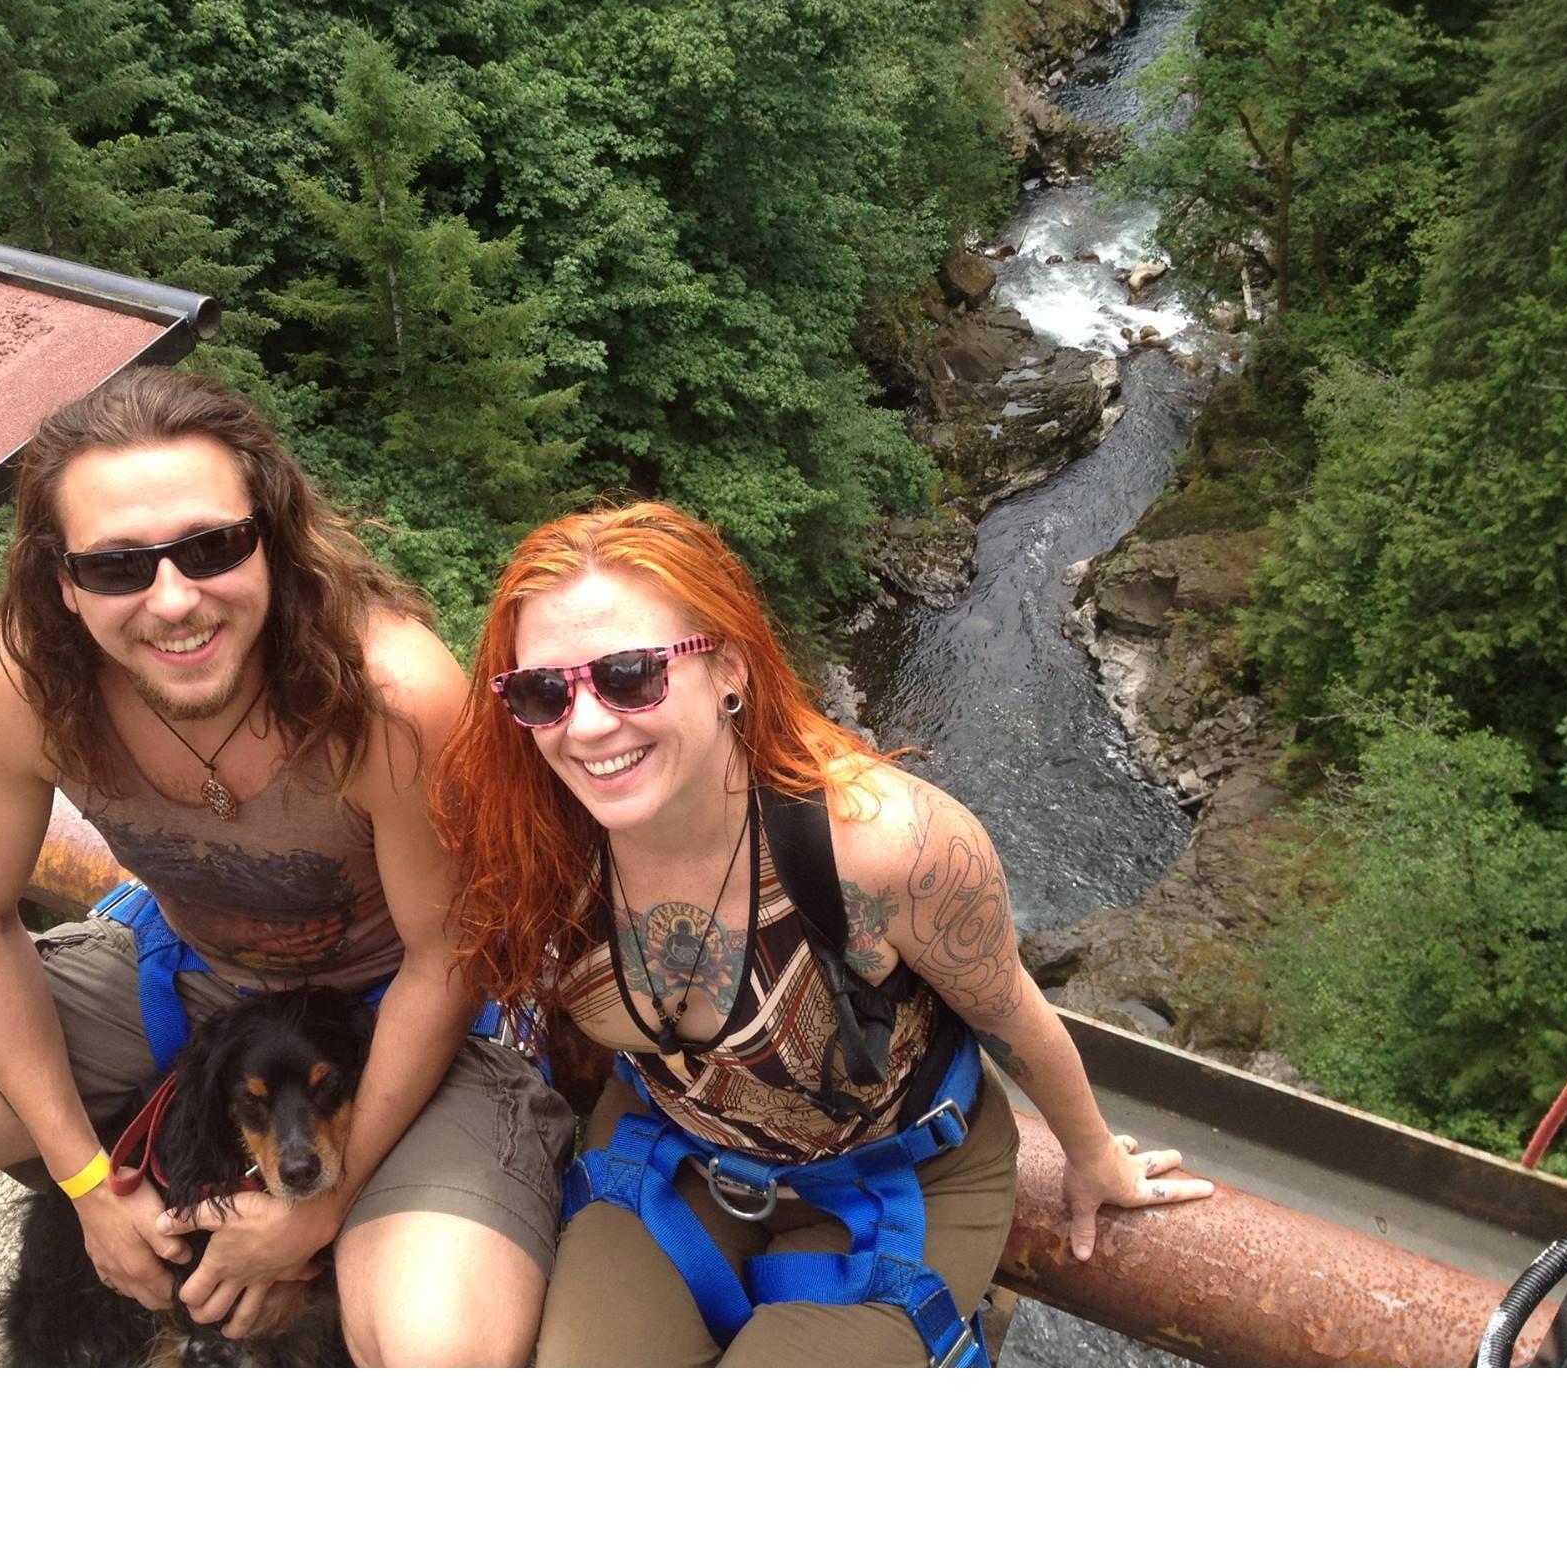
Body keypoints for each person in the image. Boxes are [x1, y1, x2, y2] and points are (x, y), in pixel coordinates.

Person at [0, 366, 573, 1366]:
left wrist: (324, 1200)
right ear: (63, 581)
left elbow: (445, 954)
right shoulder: (21, 684)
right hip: (179, 971)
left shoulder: (385, 697)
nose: (173, 599)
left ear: (270, 535)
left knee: (435, 1342)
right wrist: (83, 1181)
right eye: (117, 567)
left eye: (210, 545)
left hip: (394, 1016)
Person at [432, 501, 1213, 1367]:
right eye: (543, 691)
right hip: (675, 1146)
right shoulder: (534, 842)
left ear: (728, 668)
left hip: (900, 1175)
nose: (584, 726)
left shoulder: (887, 849)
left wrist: (1092, 1155)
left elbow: (1010, 1013)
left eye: (628, 674)